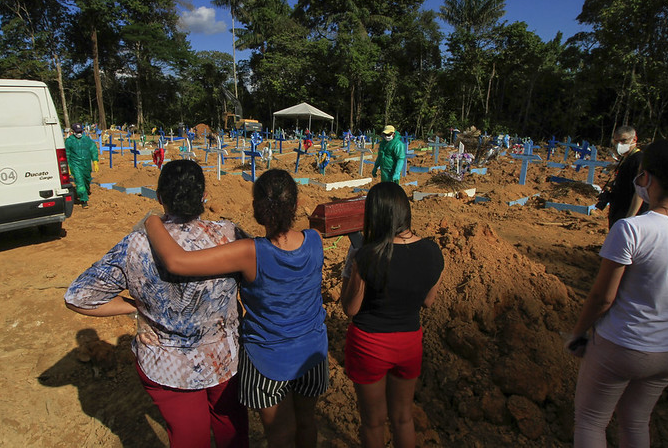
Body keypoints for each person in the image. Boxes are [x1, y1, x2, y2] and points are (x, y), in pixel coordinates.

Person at [64, 159, 249, 448]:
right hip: (225, 358)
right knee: (231, 426)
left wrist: (133, 305)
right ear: (203, 196)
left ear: (160, 197)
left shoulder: (136, 244)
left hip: (167, 366)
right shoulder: (229, 234)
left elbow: (78, 297)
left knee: (189, 437)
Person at [144, 168, 328, 448]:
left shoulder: (249, 252)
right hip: (312, 355)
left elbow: (177, 262)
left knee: (280, 436)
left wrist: (151, 221)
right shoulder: (315, 240)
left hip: (269, 362)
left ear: (256, 208)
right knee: (306, 423)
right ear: (296, 205)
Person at [566, 138, 668, 448]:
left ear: (647, 177)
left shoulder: (631, 229)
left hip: (625, 345)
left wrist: (579, 335)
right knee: (636, 420)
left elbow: (603, 298)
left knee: (591, 421)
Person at [341, 182, 444, 448]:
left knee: (373, 422)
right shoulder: (433, 252)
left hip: (369, 345)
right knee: (403, 418)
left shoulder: (367, 255)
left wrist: (351, 266)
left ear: (376, 215)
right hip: (409, 343)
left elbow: (350, 309)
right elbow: (429, 302)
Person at [605, 125, 647, 228]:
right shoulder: (626, 158)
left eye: (623, 141)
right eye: (616, 141)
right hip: (618, 210)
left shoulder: (638, 160)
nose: (619, 144)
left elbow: (639, 192)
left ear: (634, 139)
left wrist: (629, 219)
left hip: (630, 214)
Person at [65, 122, 99, 208]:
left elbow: (93, 149)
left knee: (87, 179)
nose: (79, 134)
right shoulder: (69, 141)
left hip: (86, 164)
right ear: (73, 132)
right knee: (80, 182)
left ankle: (86, 191)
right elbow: (67, 153)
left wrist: (95, 161)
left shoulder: (87, 140)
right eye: (77, 132)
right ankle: (84, 200)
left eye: (80, 132)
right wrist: (68, 165)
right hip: (75, 164)